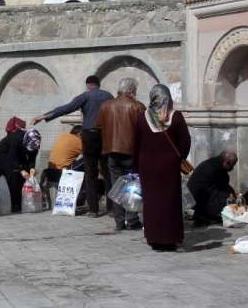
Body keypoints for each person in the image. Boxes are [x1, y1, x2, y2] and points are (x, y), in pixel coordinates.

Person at [32, 75, 113, 218]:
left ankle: (93, 210)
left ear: (88, 85)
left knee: (90, 172)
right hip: (106, 135)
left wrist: (44, 116)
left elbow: (67, 108)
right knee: (107, 172)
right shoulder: (109, 96)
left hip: (89, 135)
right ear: (98, 84)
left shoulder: (85, 96)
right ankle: (113, 209)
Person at [133, 84, 191, 251]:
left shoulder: (142, 117)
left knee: (151, 203)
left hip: (147, 167)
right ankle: (170, 238)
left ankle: (153, 237)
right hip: (169, 167)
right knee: (170, 201)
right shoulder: (176, 117)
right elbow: (185, 142)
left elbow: (136, 144)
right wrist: (179, 158)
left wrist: (135, 166)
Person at [96, 77, 145, 231]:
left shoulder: (106, 106)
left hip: (111, 151)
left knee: (117, 186)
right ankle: (132, 220)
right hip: (131, 152)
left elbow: (98, 126)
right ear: (131, 91)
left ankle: (119, 221)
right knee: (131, 186)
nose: (136, 93)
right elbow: (145, 129)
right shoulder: (137, 106)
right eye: (135, 91)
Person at [0, 117, 38, 213]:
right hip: (5, 154)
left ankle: (20, 202)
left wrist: (32, 168)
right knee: (12, 177)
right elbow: (12, 158)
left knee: (24, 177)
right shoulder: (16, 139)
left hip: (19, 156)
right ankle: (13, 204)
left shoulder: (34, 140)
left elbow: (32, 156)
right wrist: (21, 170)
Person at [187, 150, 238, 226]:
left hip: (194, 199)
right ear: (226, 162)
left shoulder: (213, 163)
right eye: (232, 165)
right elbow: (220, 190)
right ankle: (208, 216)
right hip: (199, 200)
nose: (232, 168)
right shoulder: (214, 169)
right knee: (228, 197)